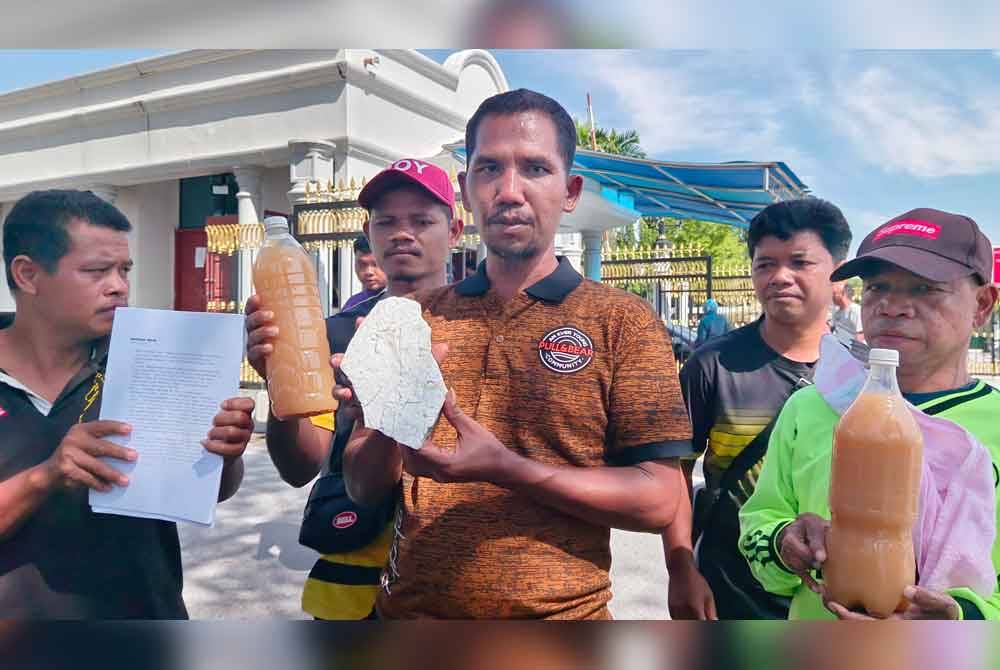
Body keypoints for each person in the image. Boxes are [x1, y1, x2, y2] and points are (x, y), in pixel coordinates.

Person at [338, 88, 692, 620]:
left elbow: (659, 499)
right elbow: (363, 488)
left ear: (569, 190)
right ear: (465, 187)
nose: (509, 191)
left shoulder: (623, 321)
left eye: (534, 169)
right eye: (488, 168)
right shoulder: (412, 318)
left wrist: (507, 468)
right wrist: (386, 419)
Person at [0, 190, 254, 618]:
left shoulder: (152, 357)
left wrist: (224, 454)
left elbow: (215, 490)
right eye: (97, 271)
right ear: (27, 275)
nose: (118, 286)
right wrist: (44, 478)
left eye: (124, 270)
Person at [740, 207, 1000, 620]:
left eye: (925, 288)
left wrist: (964, 618)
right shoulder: (813, 407)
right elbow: (757, 521)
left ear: (982, 305)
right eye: (878, 286)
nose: (893, 306)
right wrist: (784, 541)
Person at [244, 158, 463, 619]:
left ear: (456, 231)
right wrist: (278, 383)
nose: (403, 233)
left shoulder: (481, 329)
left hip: (457, 593)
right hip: (349, 588)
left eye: (422, 220)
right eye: (386, 221)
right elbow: (300, 466)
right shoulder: (335, 334)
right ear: (370, 231)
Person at [663, 198, 853, 620]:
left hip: (837, 595)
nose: (780, 277)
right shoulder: (711, 366)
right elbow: (673, 475)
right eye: (765, 264)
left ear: (839, 276)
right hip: (730, 584)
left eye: (800, 262)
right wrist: (681, 571)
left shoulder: (867, 372)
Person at [341, 236, 387, 311]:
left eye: (376, 264)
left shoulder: (403, 300)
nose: (369, 272)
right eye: (362, 264)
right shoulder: (353, 304)